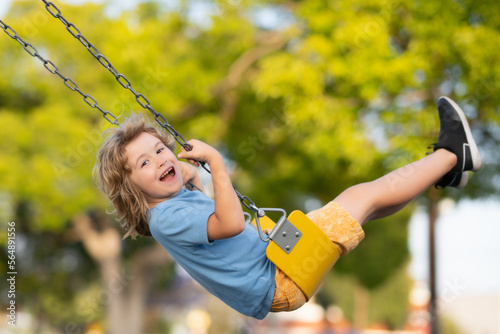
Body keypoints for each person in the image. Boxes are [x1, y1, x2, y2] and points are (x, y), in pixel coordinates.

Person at [93, 96, 481, 320]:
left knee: (366, 207)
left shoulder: (174, 206)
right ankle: (452, 153)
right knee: (361, 197)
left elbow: (218, 234)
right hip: (280, 276)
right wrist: (217, 165)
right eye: (144, 163)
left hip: (281, 268)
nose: (160, 159)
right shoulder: (166, 216)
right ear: (132, 192)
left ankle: (444, 172)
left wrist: (197, 183)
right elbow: (227, 224)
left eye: (160, 150)